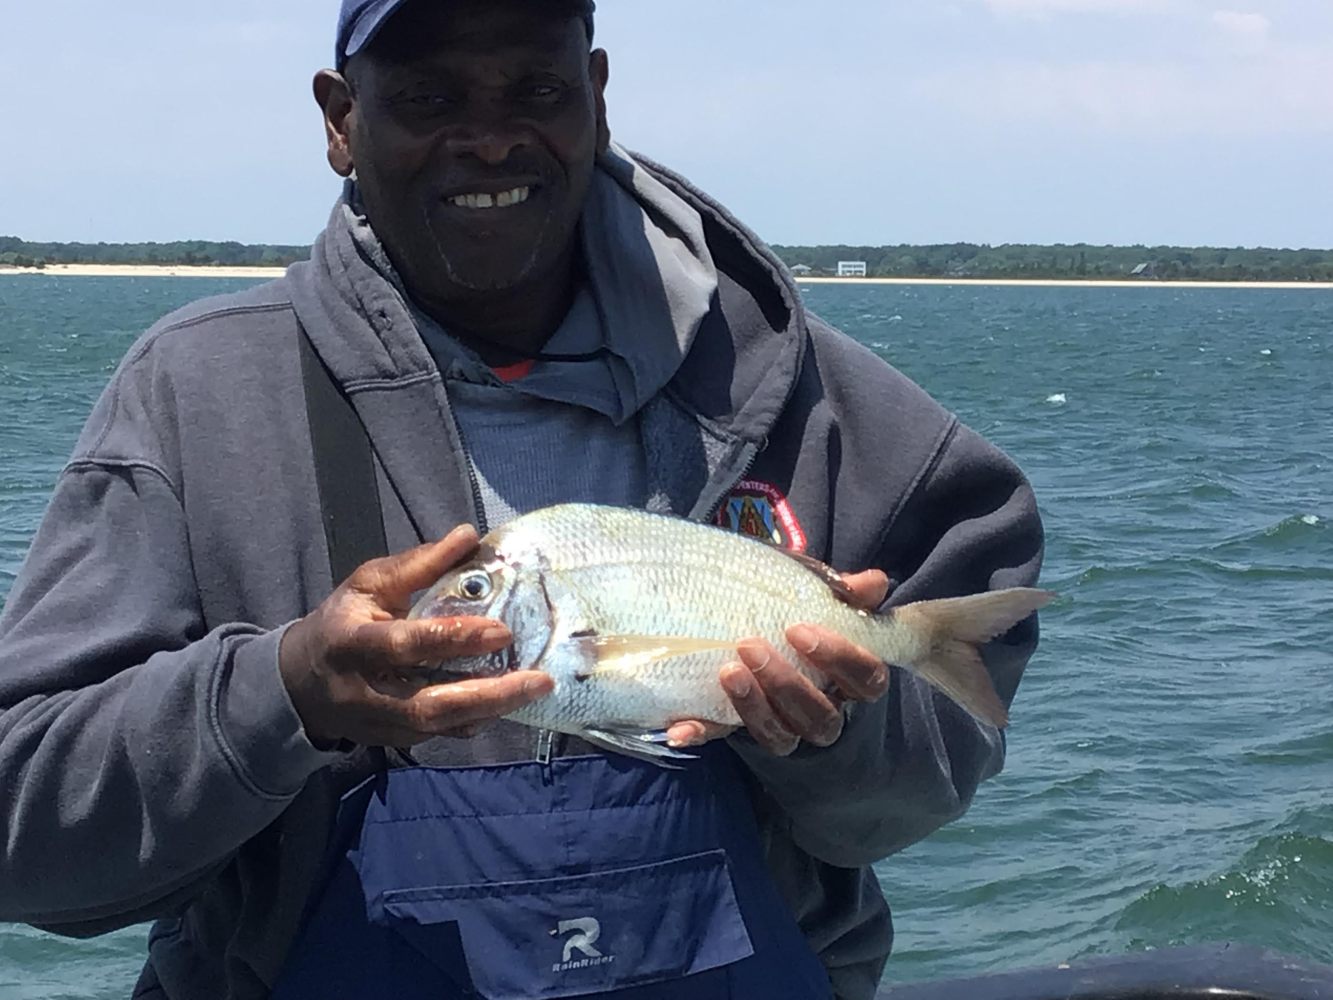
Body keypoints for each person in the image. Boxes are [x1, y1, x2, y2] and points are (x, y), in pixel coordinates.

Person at [0, 1, 1045, 998]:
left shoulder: (807, 398)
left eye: (534, 90)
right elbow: (26, 838)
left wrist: (837, 736)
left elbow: (916, 793)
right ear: (339, 119)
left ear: (595, 100)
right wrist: (283, 694)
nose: (489, 140)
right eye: (429, 98)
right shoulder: (195, 399)